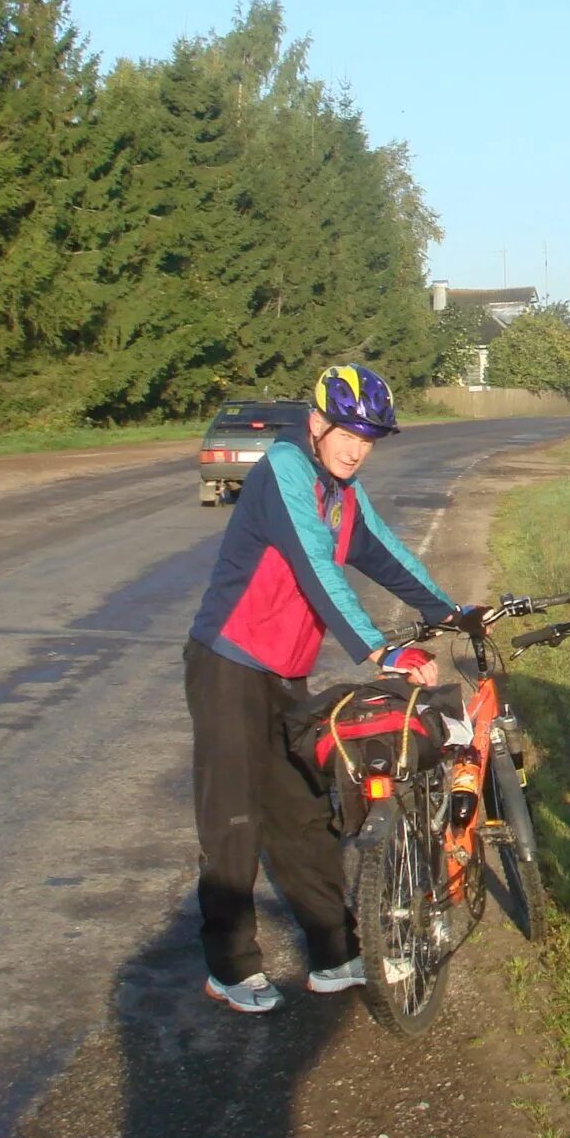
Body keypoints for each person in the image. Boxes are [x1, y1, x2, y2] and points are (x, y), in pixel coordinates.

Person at [183, 363, 483, 1014]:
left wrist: (454, 612)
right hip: (228, 663)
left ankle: (332, 955)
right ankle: (229, 968)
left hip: (285, 673)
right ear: (316, 423)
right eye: (347, 432)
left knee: (303, 814)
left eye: (368, 438)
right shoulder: (284, 473)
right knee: (233, 818)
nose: (356, 448)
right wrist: (382, 649)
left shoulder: (343, 493)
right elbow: (316, 566)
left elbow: (385, 555)